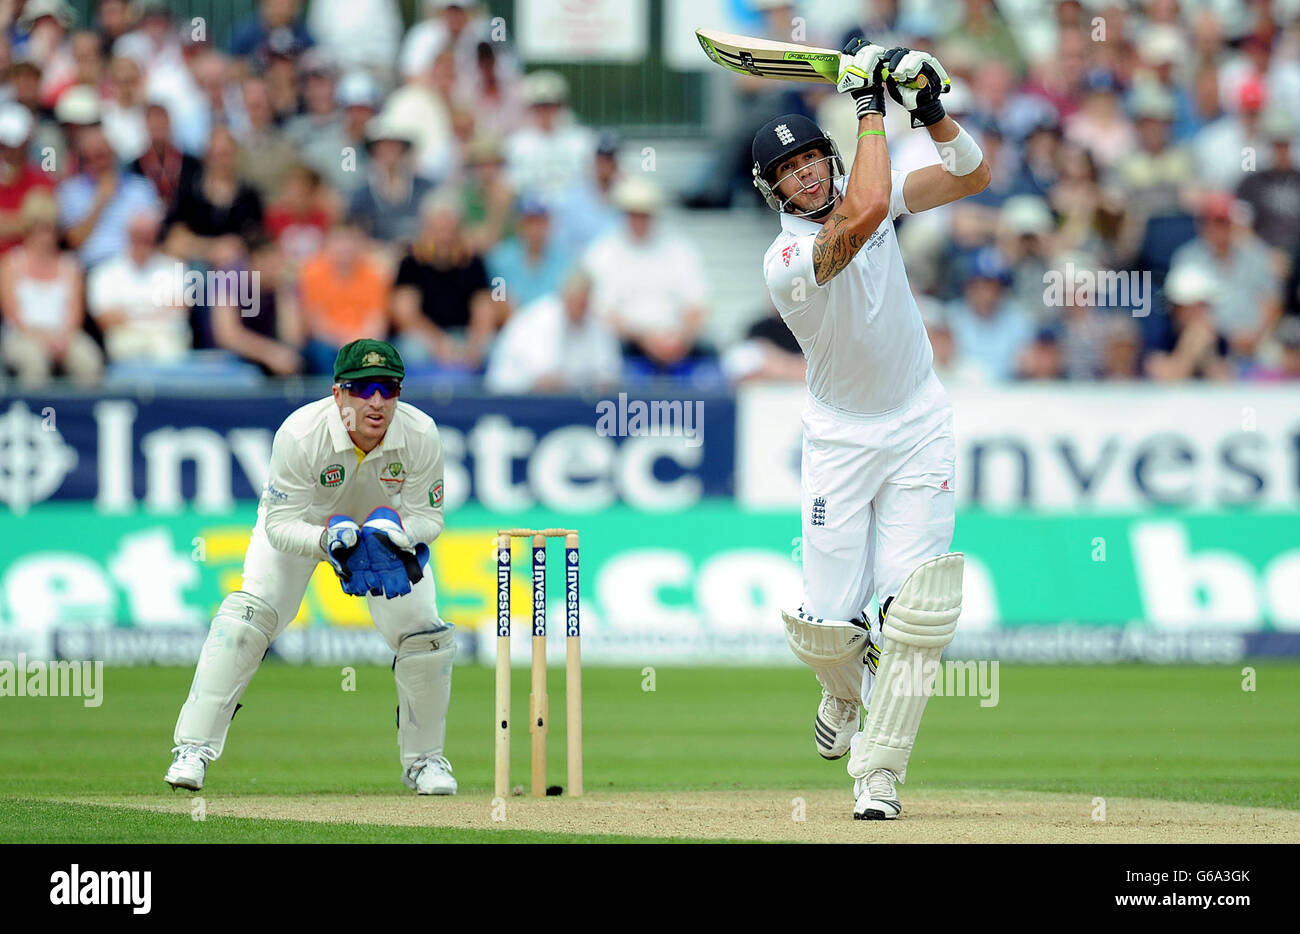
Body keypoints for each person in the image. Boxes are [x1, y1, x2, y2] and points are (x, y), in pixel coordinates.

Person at [756, 43, 989, 820]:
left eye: (813, 161)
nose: (806, 176)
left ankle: (878, 777)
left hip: (920, 422)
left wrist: (928, 109)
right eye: (789, 173)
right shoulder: (788, 258)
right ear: (773, 190)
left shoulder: (874, 199)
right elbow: (861, 208)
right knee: (829, 628)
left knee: (915, 615)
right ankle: (842, 696)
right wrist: (868, 104)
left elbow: (972, 176)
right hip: (840, 441)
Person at [160, 347, 457, 795]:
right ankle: (193, 750)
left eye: (388, 389)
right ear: (338, 394)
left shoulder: (420, 432)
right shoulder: (301, 433)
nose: (375, 402)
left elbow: (428, 519)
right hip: (308, 526)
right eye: (361, 389)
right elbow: (279, 524)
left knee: (426, 637)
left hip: (380, 538)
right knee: (248, 618)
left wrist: (391, 536)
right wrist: (329, 543)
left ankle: (426, 762)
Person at [0, 189, 101, 386]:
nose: (46, 235)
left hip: (65, 335)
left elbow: (75, 315)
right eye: (40, 228)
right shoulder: (10, 264)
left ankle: (82, 415)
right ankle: (36, 415)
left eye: (51, 228)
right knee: (34, 361)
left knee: (88, 359)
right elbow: (13, 315)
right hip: (23, 336)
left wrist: (61, 339)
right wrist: (43, 338)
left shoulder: (70, 266)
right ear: (29, 229)